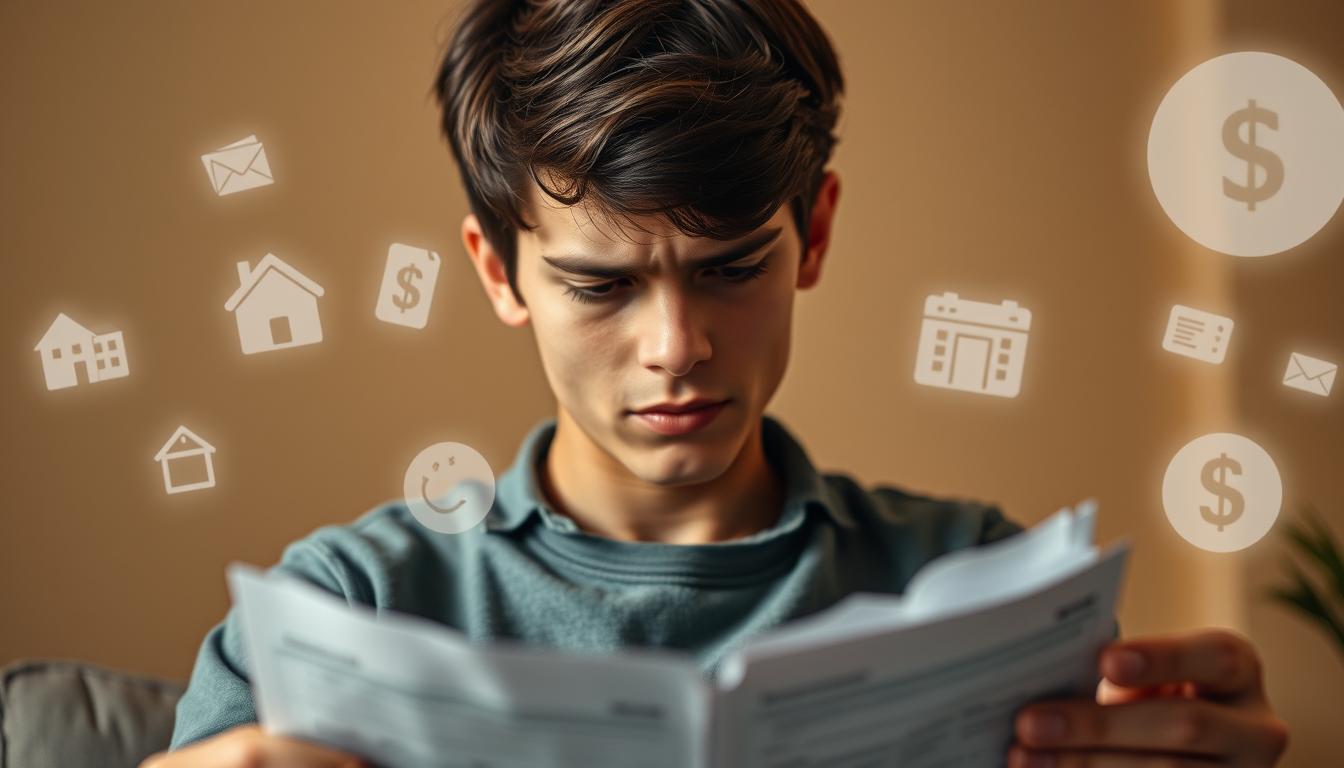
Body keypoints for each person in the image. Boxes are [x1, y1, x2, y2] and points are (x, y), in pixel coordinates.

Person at [144, 1, 1289, 766]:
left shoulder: (980, 586)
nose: (676, 346)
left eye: (733, 268)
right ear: (498, 271)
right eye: (600, 286)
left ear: (815, 234)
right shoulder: (339, 610)